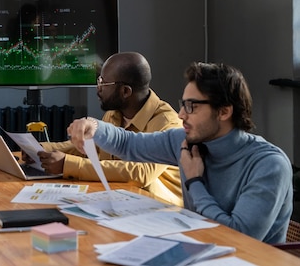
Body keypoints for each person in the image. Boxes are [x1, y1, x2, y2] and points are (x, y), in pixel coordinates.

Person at [67, 61, 293, 243]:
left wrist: (195, 182)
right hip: (197, 250)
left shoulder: (268, 164)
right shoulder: (187, 140)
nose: (181, 115)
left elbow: (238, 238)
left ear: (223, 112)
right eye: (182, 104)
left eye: (191, 106)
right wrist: (93, 126)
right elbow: (129, 144)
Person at [31, 51, 184, 206]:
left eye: (103, 83)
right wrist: (41, 149)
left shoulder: (168, 123)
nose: (98, 88)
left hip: (160, 210)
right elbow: (92, 146)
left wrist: (67, 165)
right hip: (117, 201)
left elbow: (141, 172)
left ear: (125, 91)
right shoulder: (114, 114)